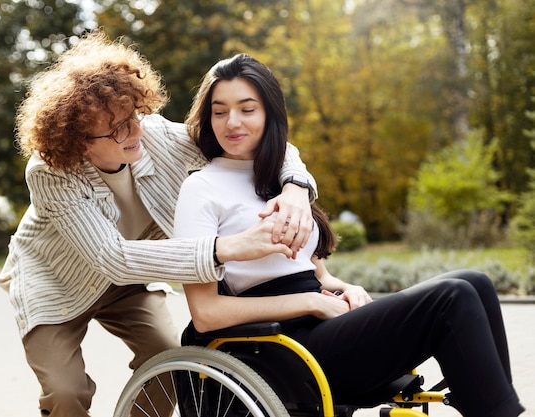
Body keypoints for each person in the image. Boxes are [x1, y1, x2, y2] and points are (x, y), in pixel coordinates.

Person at [174, 53, 525, 417]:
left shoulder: (282, 177)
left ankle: (490, 405)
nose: (232, 122)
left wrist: (344, 287)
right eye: (219, 111)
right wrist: (310, 303)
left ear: (269, 114)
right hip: (281, 349)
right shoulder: (201, 188)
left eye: (247, 109)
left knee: (476, 282)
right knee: (452, 297)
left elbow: (310, 273)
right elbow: (206, 314)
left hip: (323, 324)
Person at [0, 31, 319, 417]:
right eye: (116, 129)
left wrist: (297, 187)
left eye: (133, 116)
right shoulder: (50, 172)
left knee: (169, 360)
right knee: (67, 391)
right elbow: (110, 257)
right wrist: (228, 247)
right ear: (79, 141)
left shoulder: (155, 134)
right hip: (56, 284)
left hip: (130, 281)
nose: (134, 132)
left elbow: (251, 141)